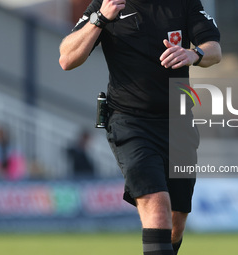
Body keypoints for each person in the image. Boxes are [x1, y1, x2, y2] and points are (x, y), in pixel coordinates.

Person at [59, 0, 221, 254]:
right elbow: (67, 58)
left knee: (176, 221)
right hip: (129, 122)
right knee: (157, 205)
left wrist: (194, 54)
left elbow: (214, 50)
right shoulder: (107, 4)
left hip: (178, 123)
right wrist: (101, 18)